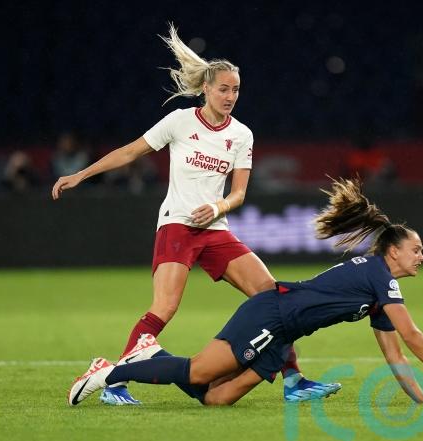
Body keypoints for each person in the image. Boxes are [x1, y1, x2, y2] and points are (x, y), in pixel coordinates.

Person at [52, 22, 338, 405]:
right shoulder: (180, 121)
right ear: (206, 87)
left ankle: (294, 381)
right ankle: (114, 381)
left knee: (273, 298)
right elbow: (131, 151)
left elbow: (238, 194)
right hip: (177, 225)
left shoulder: (242, 135)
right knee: (165, 307)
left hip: (215, 229)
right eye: (224, 89)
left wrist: (218, 207)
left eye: (236, 90)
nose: (230, 96)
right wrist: (81, 175)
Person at [68, 177, 423, 407]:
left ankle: (153, 356)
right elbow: (412, 335)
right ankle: (109, 371)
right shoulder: (380, 276)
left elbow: (395, 354)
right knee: (197, 373)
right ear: (393, 252)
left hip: (282, 333)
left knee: (216, 398)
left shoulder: (378, 290)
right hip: (271, 315)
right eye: (416, 249)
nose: (422, 256)